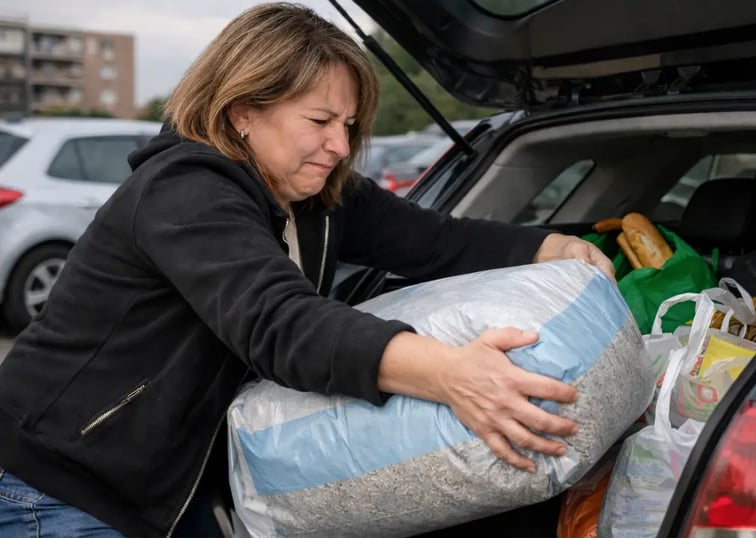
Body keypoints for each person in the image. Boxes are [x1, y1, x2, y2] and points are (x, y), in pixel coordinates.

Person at [0, 3, 614, 537]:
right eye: (319, 122)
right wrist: (451, 373)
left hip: (167, 484)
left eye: (348, 126)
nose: (341, 146)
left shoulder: (320, 192)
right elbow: (281, 324)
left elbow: (436, 241)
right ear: (243, 110)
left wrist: (549, 247)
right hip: (51, 484)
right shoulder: (184, 190)